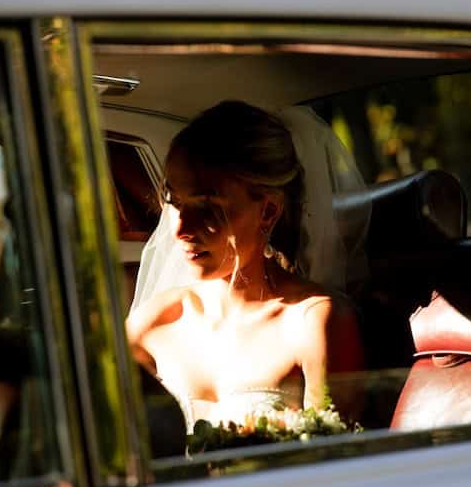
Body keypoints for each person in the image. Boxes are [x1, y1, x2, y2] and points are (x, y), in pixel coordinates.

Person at [126, 101, 366, 430]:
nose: (181, 229)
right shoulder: (152, 325)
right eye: (175, 202)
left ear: (268, 211)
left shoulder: (315, 322)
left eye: (207, 206)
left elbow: (336, 455)